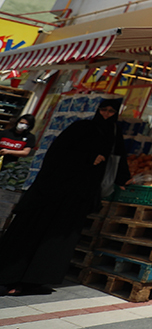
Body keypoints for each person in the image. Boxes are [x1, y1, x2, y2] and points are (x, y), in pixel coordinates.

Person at [0, 99, 129, 296]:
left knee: (58, 240)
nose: (106, 114)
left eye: (111, 111)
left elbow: (119, 159)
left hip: (78, 196)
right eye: (103, 109)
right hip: (53, 191)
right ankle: (10, 278)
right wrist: (87, 158)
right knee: (32, 231)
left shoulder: (113, 133)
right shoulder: (81, 127)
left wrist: (123, 180)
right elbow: (58, 153)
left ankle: (35, 280)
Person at [0, 114, 36, 226]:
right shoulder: (5, 133)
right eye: (22, 122)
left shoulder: (29, 137)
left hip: (12, 170)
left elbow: (25, 152)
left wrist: (9, 152)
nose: (22, 126)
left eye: (26, 124)